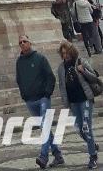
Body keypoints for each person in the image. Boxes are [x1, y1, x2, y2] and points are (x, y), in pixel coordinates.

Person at [16, 34, 62, 169]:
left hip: (43, 99)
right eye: (20, 42)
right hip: (30, 100)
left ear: (30, 43)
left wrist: (47, 94)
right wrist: (23, 94)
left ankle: (43, 157)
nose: (22, 44)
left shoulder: (40, 58)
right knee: (44, 127)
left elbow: (50, 77)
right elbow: (19, 79)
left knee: (44, 126)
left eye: (24, 41)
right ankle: (58, 155)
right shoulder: (19, 62)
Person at [57, 40, 99, 168]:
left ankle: (92, 156)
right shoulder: (61, 68)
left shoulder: (80, 62)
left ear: (72, 51)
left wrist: (83, 71)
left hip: (85, 99)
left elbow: (94, 77)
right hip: (73, 102)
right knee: (80, 129)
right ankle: (93, 145)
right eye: (63, 53)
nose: (65, 55)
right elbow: (62, 86)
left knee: (86, 128)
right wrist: (65, 103)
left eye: (67, 52)